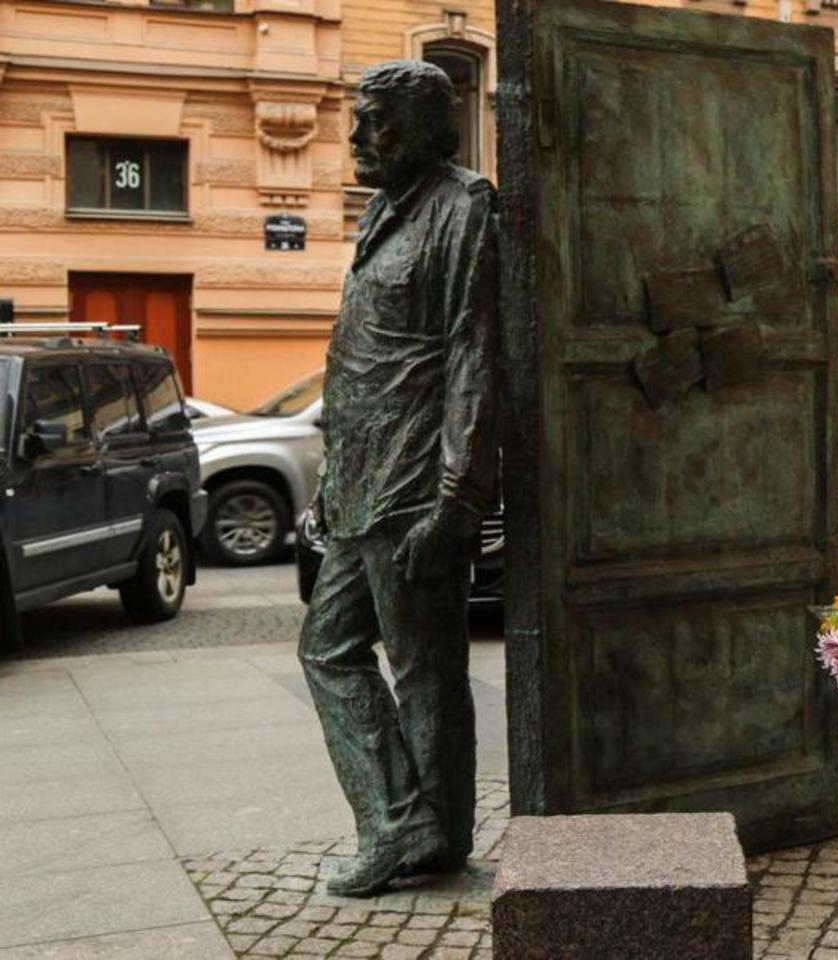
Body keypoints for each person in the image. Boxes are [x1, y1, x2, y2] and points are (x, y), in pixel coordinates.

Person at [297, 59, 499, 898]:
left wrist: (457, 499)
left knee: (422, 670)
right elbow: (361, 358)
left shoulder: (462, 207)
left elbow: (473, 355)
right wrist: (330, 481)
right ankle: (417, 827)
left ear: (424, 128)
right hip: (362, 481)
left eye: (376, 120)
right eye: (359, 118)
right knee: (335, 649)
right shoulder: (383, 211)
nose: (357, 135)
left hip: (413, 484)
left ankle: (415, 832)